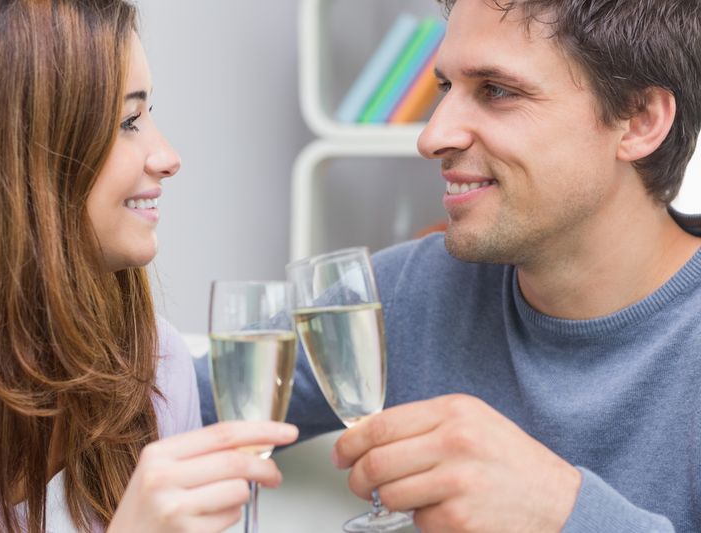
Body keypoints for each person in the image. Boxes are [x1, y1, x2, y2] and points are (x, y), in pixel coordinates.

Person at [196, 0, 701, 531]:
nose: (432, 137)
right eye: (445, 88)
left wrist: (561, 509)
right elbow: (153, 408)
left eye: (496, 91)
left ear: (640, 122)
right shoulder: (408, 292)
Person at [0, 1, 298, 532]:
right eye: (129, 121)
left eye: (149, 113)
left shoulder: (157, 367)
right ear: (17, 152)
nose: (168, 156)